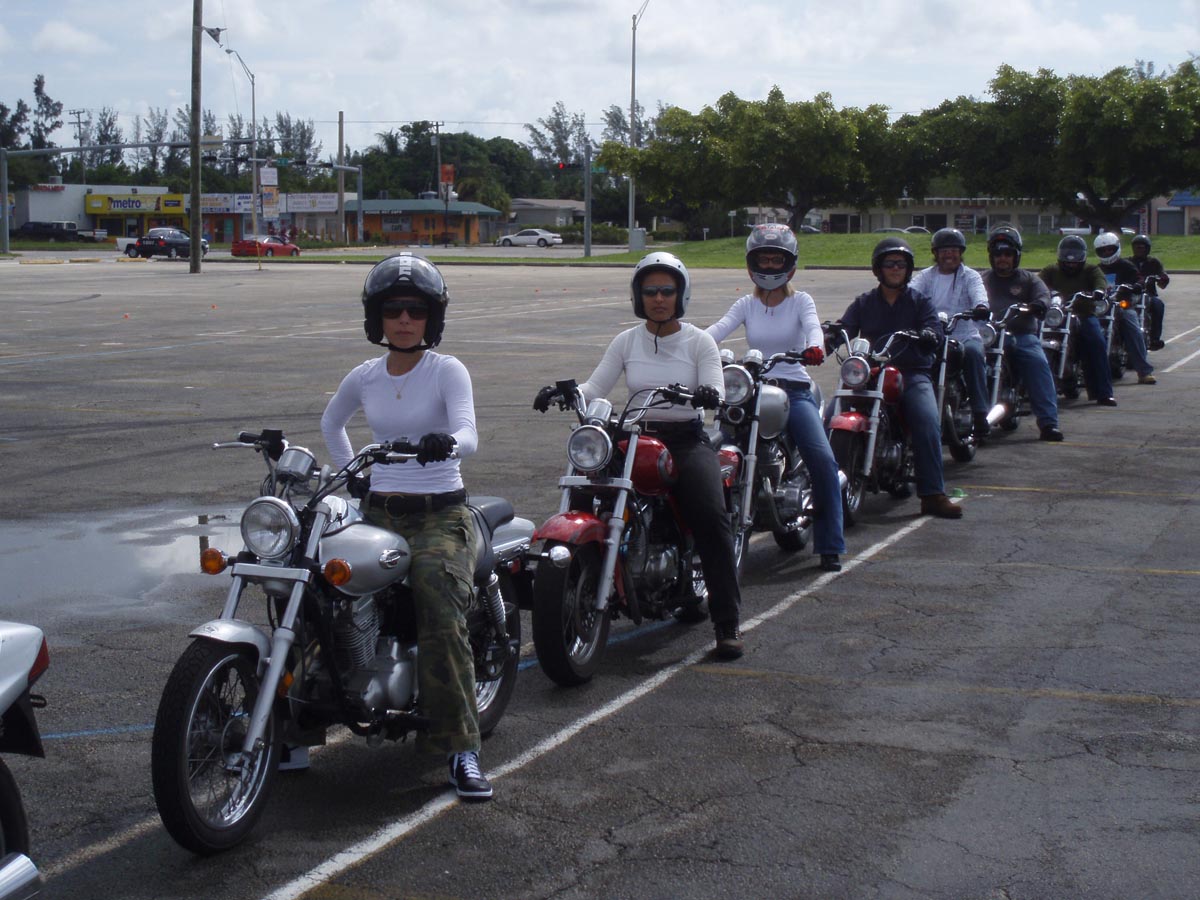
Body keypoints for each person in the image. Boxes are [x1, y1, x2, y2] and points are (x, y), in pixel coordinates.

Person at [320, 252, 493, 801]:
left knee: (438, 604)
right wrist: (355, 478)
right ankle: (294, 728)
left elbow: (469, 434)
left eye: (415, 310)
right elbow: (332, 422)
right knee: (319, 593)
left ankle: (461, 748)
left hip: (440, 515)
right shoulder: (365, 375)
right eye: (393, 309)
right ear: (376, 316)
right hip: (377, 513)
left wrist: (445, 443)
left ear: (431, 319)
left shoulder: (447, 370)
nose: (403, 320)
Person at [533, 252, 746, 659]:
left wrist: (707, 394)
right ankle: (582, 571)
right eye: (650, 291)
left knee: (711, 518)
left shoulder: (700, 342)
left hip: (684, 440)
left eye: (667, 290)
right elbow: (595, 387)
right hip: (633, 436)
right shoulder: (627, 341)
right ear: (638, 296)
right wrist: (565, 392)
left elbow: (716, 388)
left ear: (681, 295)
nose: (659, 299)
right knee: (586, 489)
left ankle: (727, 622)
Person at [705, 223, 846, 572]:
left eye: (776, 259)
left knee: (823, 461)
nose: (769, 266)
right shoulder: (746, 304)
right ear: (752, 263)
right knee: (708, 455)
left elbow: (813, 327)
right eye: (763, 259)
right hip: (750, 391)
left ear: (790, 263)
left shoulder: (801, 301)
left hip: (793, 391)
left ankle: (830, 544)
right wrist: (690, 344)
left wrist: (815, 347)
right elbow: (716, 331)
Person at [831, 237, 962, 519]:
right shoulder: (864, 302)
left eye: (900, 264)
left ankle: (933, 494)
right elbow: (845, 327)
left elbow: (935, 331)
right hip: (871, 372)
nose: (895, 269)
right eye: (889, 264)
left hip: (911, 372)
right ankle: (820, 488)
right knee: (829, 415)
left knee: (927, 420)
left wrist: (929, 335)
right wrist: (828, 337)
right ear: (878, 269)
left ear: (908, 269)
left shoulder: (920, 302)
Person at [980, 225, 1064, 441]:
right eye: (998, 254)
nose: (1002, 258)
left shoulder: (1029, 279)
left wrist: (1038, 304)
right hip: (989, 335)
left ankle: (1048, 423)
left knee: (1037, 363)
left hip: (1020, 334)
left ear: (1016, 256)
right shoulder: (982, 279)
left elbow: (1043, 295)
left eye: (1008, 254)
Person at [910, 228, 992, 437]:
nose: (949, 255)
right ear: (936, 253)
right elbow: (910, 293)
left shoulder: (970, 276)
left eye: (954, 250)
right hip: (933, 334)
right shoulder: (926, 276)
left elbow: (979, 294)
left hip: (964, 334)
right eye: (944, 251)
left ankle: (980, 413)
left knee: (973, 354)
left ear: (961, 253)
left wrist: (981, 306)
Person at [1037, 236, 1117, 406]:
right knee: (1032, 339)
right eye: (1067, 259)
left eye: (1075, 259)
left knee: (1097, 342)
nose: (1071, 263)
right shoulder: (1051, 270)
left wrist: (1099, 291)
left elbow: (1100, 281)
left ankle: (1104, 393)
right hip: (1056, 315)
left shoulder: (1091, 269)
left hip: (1084, 314)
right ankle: (1028, 388)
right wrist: (1043, 293)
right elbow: (1038, 283)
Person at [1094, 232, 1156, 385]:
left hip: (1122, 305)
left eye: (1110, 249)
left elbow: (1139, 279)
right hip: (1102, 307)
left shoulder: (1126, 266)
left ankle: (1143, 371)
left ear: (1117, 248)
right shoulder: (1096, 269)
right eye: (1103, 250)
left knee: (1133, 327)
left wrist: (1137, 285)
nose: (1107, 253)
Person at [1129, 234, 1170, 350]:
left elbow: (1162, 278)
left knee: (1158, 305)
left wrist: (1162, 278)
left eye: (1142, 247)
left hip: (1149, 295)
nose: (1139, 249)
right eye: (1137, 247)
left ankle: (1154, 339)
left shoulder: (1154, 262)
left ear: (1147, 249)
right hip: (1131, 294)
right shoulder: (1128, 262)